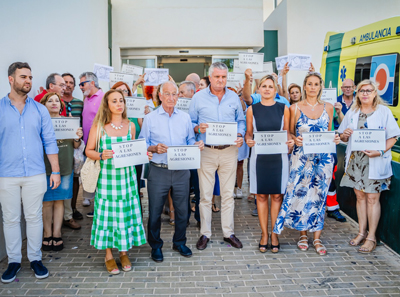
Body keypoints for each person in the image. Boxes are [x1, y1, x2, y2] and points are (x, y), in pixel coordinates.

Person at [0, 62, 60, 283]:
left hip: (35, 172)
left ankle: (35, 258)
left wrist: (55, 171)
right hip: (6, 174)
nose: (28, 81)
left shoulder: (39, 109)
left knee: (34, 218)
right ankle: (14, 261)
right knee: (11, 219)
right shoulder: (0, 108)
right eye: (23, 77)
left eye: (30, 77)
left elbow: (49, 142)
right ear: (11, 79)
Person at [273, 72, 340, 256]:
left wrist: (335, 138)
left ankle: (317, 237)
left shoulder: (328, 107)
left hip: (323, 159)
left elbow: (330, 132)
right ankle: (303, 234)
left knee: (319, 195)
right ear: (304, 86)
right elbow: (288, 133)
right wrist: (295, 139)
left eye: (316, 84)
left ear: (320, 87)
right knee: (301, 195)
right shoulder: (294, 108)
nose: (312, 87)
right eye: (309, 84)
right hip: (301, 158)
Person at [86, 89, 150, 274]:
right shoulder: (99, 126)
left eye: (121, 100)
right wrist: (100, 154)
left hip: (127, 179)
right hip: (107, 179)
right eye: (114, 101)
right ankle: (108, 254)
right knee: (108, 216)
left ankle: (123, 252)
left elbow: (134, 150)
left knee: (124, 214)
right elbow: (88, 151)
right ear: (107, 105)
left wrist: (145, 154)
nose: (119, 104)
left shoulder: (130, 125)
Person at [139, 81, 204, 262]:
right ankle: (156, 245)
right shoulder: (150, 118)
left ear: (178, 96)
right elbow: (141, 143)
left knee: (183, 210)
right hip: (158, 170)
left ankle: (179, 242)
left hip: (181, 170)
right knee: (155, 211)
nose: (171, 97)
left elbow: (190, 140)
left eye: (174, 94)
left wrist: (196, 145)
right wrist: (153, 148)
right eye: (167, 94)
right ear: (160, 96)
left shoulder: (184, 118)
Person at [338, 79, 400, 253]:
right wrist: (345, 134)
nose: (365, 93)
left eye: (369, 90)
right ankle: (361, 232)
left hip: (375, 160)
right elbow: (342, 137)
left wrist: (379, 151)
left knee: (373, 198)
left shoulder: (383, 112)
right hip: (356, 161)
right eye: (362, 90)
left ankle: (371, 237)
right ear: (357, 93)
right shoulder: (353, 111)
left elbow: (394, 136)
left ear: (375, 93)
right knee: (359, 197)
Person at [189, 62, 245, 250]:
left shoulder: (233, 98)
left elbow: (241, 121)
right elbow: (190, 123)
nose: (220, 80)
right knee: (205, 195)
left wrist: (240, 135)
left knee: (228, 194)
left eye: (224, 77)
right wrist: (198, 128)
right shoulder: (198, 98)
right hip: (207, 151)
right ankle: (205, 233)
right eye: (217, 77)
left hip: (229, 151)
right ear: (210, 77)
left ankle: (228, 233)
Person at [245, 75, 294, 253]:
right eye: (263, 86)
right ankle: (264, 234)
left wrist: (290, 142)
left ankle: (275, 234)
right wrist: (248, 140)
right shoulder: (252, 109)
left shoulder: (284, 108)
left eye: (270, 87)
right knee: (261, 196)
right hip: (259, 158)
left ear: (276, 90)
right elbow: (249, 134)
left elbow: (287, 133)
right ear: (258, 89)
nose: (266, 89)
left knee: (277, 197)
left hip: (279, 158)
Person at [40, 92, 83, 251]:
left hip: (65, 166)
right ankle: (47, 234)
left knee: (60, 201)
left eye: (57, 101)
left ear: (61, 105)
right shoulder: (40, 123)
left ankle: (57, 233)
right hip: (44, 167)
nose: (53, 103)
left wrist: (77, 137)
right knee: (46, 202)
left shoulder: (69, 121)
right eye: (49, 100)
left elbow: (77, 146)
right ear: (44, 104)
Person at [111, 81, 146, 203]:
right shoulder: (110, 113)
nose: (123, 93)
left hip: (134, 153)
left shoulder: (136, 109)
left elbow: (143, 129)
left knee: (134, 187)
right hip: (117, 154)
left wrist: (145, 114)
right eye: (119, 90)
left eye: (125, 90)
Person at [61, 73, 84, 229]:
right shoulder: (55, 101)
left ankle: (73, 208)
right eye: (65, 82)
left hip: (76, 146)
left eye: (71, 83)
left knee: (75, 178)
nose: (68, 85)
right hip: (60, 147)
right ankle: (62, 213)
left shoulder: (80, 103)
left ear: (74, 86)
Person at [79, 72, 104, 212]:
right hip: (87, 144)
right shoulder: (86, 98)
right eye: (80, 85)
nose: (81, 87)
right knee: (89, 172)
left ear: (92, 83)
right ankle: (88, 196)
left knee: (98, 174)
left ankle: (99, 206)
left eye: (83, 84)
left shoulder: (103, 97)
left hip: (99, 144)